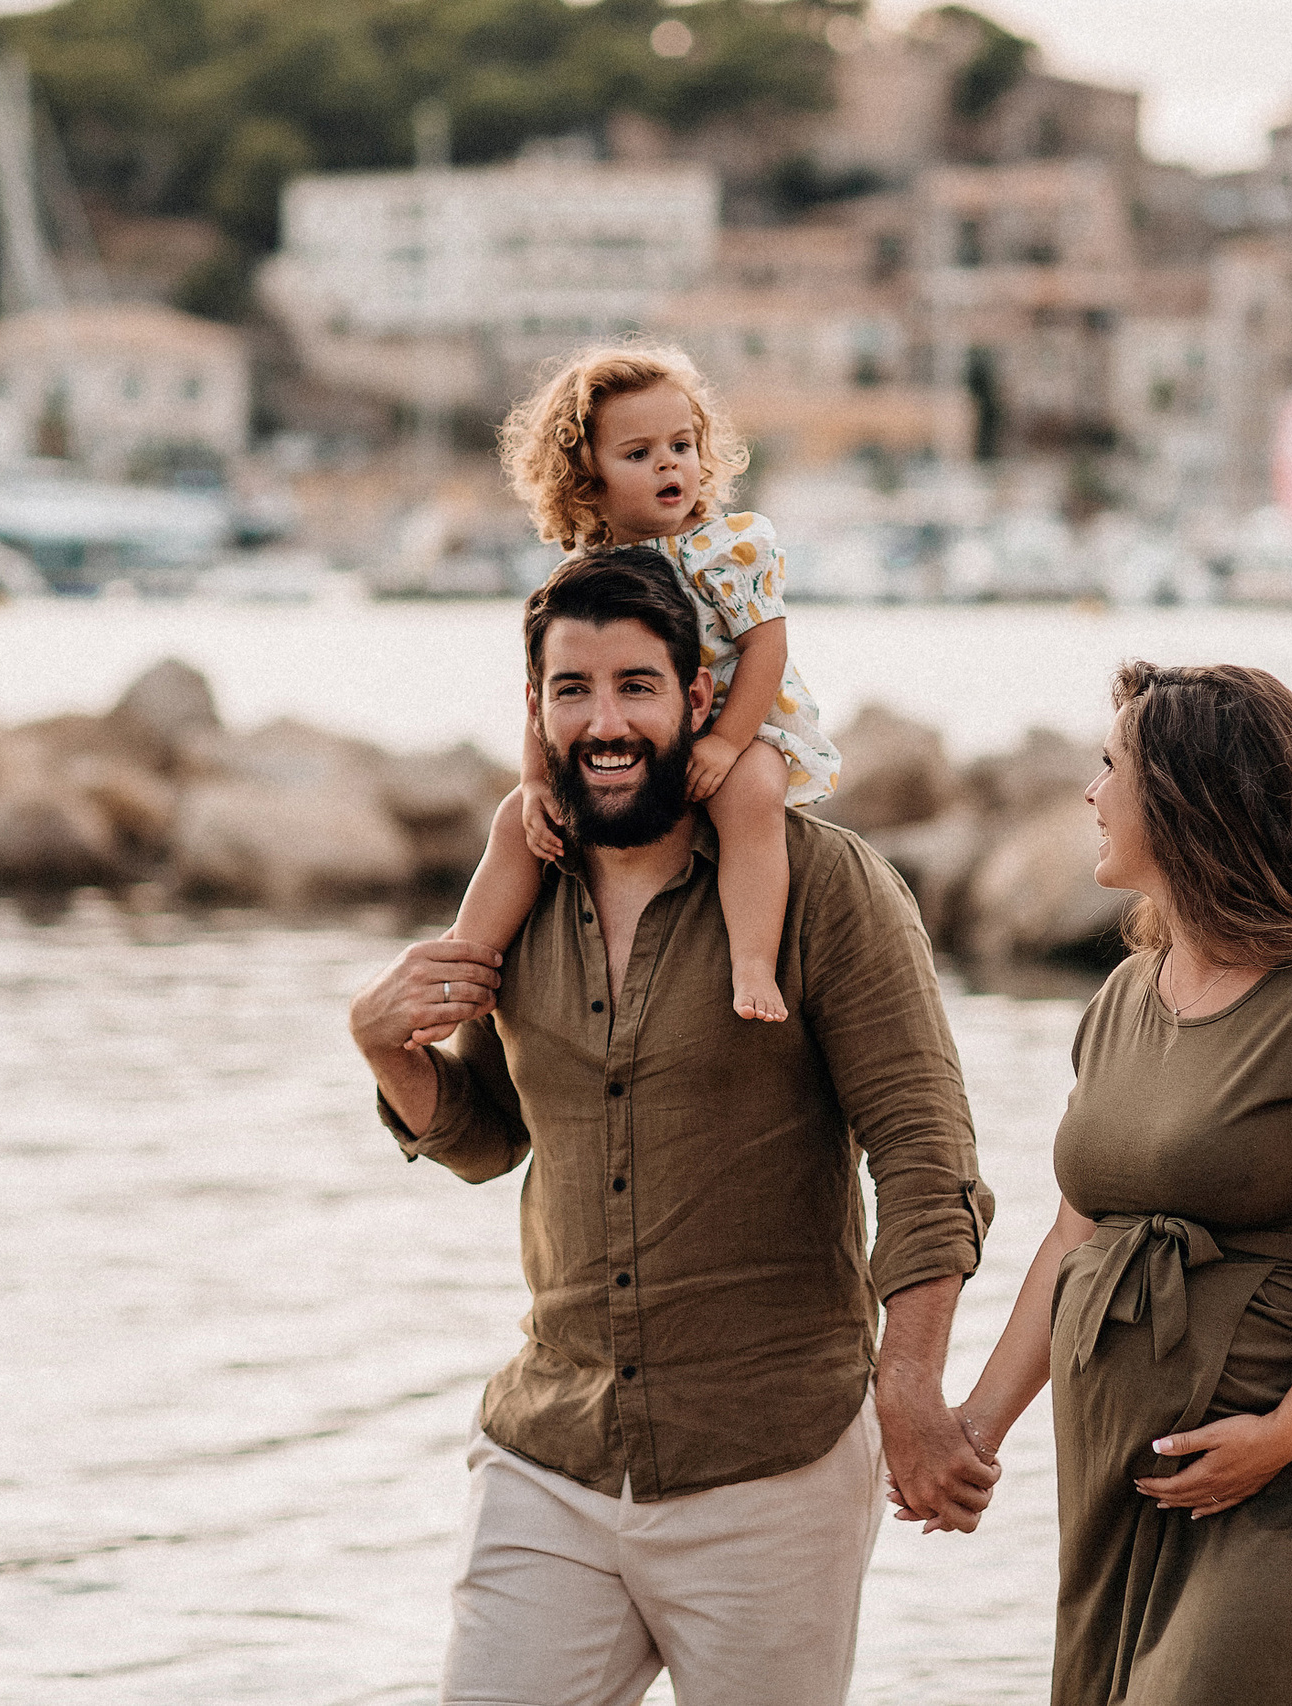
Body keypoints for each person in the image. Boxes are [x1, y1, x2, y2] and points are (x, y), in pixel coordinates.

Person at [347, 545, 996, 1706]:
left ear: (699, 697)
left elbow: (925, 1148)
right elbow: (492, 1137)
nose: (604, 722)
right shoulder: (523, 892)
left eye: (635, 686)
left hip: (772, 1468)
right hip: (549, 1454)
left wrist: (910, 1384)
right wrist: (386, 1051)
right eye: (573, 689)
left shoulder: (825, 884)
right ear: (536, 710)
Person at [947, 662, 1292, 1706]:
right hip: (1123, 1469)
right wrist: (976, 1426)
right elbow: (1073, 1239)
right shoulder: (1122, 996)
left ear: (1190, 796)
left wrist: (1288, 1431)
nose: (1090, 795)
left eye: (1111, 769)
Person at [423, 345, 837, 1033]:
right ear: (587, 478)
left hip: (740, 719)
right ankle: (464, 967)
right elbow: (547, 692)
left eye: (682, 445)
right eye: (638, 454)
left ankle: (753, 960)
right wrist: (534, 782)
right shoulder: (584, 579)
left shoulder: (727, 548)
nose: (669, 464)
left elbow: (767, 646)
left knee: (753, 797)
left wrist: (729, 741)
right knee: (513, 825)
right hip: (636, 740)